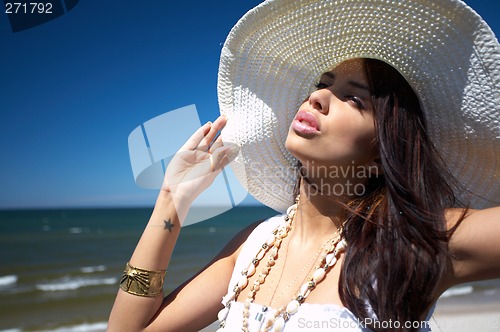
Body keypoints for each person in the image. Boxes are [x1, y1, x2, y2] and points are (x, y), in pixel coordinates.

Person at [108, 0, 500, 331]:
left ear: (384, 149)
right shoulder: (255, 245)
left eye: (354, 100)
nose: (319, 97)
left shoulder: (413, 240)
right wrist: (170, 202)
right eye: (323, 83)